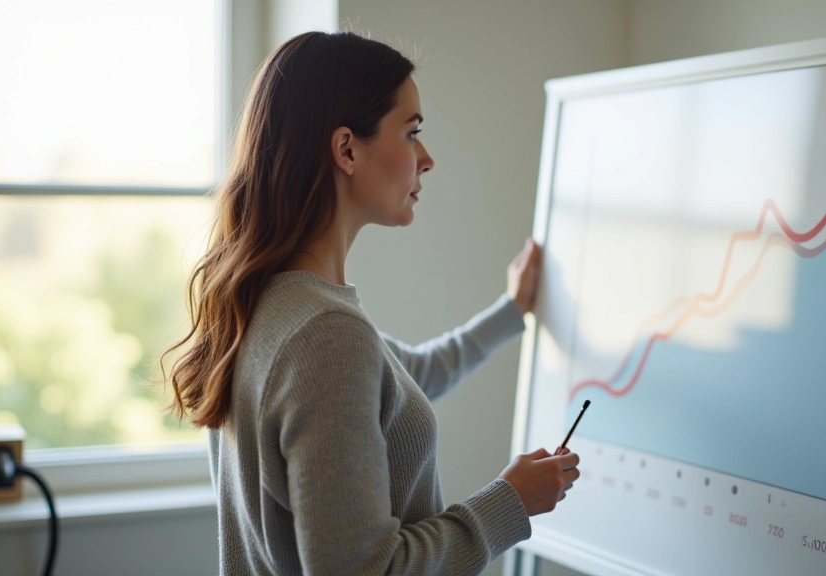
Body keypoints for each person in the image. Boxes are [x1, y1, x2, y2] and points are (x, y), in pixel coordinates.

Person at [163, 31, 581, 575]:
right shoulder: (325, 333)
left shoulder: (271, 305)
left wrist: (513, 310)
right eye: (412, 133)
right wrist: (508, 503)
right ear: (346, 149)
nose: (426, 159)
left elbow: (406, 379)